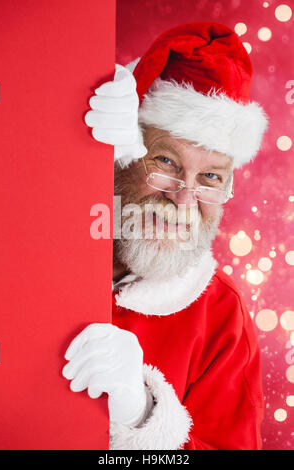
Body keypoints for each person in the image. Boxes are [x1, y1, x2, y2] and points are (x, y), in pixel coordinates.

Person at [62, 22, 268, 450]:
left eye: (210, 176)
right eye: (166, 161)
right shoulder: (35, 245)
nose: (185, 197)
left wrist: (143, 418)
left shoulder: (221, 320)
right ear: (123, 157)